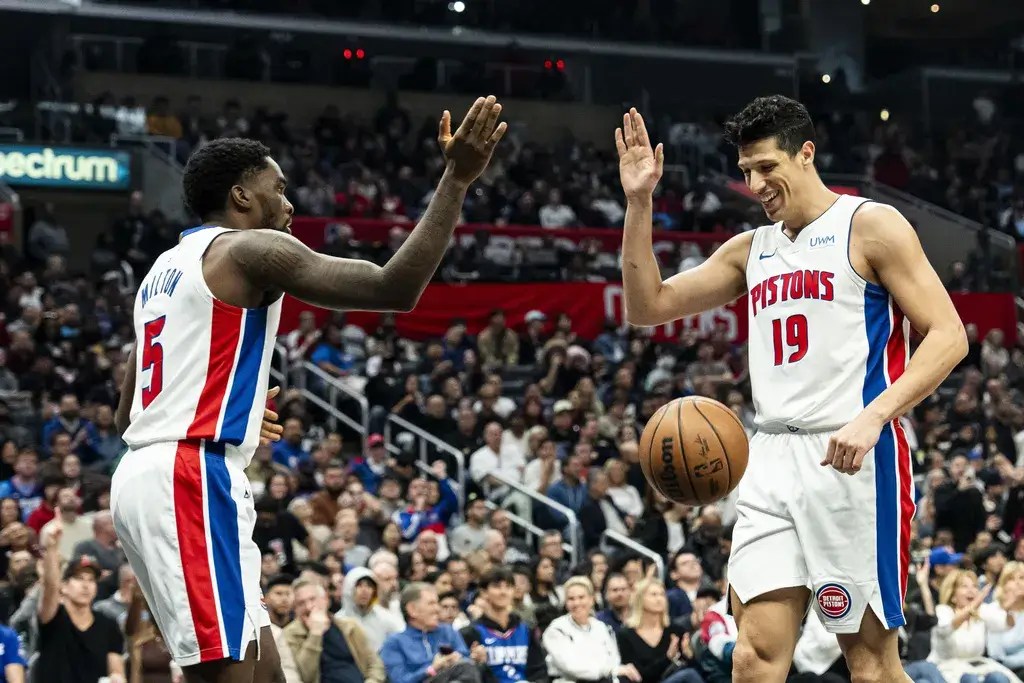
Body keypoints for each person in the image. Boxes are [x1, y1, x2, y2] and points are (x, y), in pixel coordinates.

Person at [110, 96, 507, 681]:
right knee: (228, 676)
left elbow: (128, 411)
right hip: (188, 479)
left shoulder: (161, 270)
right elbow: (394, 287)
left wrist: (229, 410)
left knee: (268, 671)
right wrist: (457, 177)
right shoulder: (250, 248)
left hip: (159, 472)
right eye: (278, 187)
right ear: (242, 197)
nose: (290, 203)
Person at [617, 97, 968, 682]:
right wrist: (638, 203)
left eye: (765, 167)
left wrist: (875, 416)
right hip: (771, 460)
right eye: (746, 171)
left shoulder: (870, 225)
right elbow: (646, 305)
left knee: (871, 665)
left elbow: (949, 335)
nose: (755, 184)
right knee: (752, 658)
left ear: (806, 153)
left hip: (855, 456)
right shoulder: (751, 249)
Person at [37, 520, 126, 683]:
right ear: (63, 587)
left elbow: (116, 668)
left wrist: (117, 678)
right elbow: (50, 588)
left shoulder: (108, 624)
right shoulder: (53, 617)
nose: (86, 585)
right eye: (78, 578)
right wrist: (51, 548)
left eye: (91, 580)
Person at [282, 578, 387, 683]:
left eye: (312, 599)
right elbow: (304, 677)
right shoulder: (290, 635)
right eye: (301, 603)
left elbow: (374, 664)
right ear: (295, 609)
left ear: (325, 600)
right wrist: (315, 634)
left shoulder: (349, 627)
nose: (309, 607)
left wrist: (372, 681)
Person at [542, 576, 641, 683]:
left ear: (591, 599)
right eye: (571, 599)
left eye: (581, 597)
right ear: (566, 603)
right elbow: (571, 666)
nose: (576, 603)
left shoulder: (602, 627)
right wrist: (608, 670)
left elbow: (614, 660)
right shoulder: (557, 628)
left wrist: (613, 670)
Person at [459, 568, 548, 683]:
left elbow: (539, 671)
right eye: (497, 587)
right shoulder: (470, 633)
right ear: (484, 592)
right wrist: (480, 664)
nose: (503, 592)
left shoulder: (526, 630)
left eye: (508, 587)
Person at [380, 582, 479, 683]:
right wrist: (432, 669)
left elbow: (467, 666)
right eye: (431, 603)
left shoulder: (448, 631)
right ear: (412, 609)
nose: (437, 609)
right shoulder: (395, 642)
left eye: (437, 603)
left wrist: (468, 658)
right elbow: (399, 680)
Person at [616, 578, 702, 683]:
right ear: (640, 599)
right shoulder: (625, 635)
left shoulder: (676, 631)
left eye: (662, 594)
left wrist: (689, 656)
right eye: (653, 594)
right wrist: (668, 658)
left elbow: (697, 672)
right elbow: (638, 676)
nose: (659, 599)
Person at [336, 567, 403, 653]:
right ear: (349, 589)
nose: (365, 591)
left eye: (369, 586)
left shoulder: (384, 616)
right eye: (359, 585)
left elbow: (402, 636)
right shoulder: (339, 620)